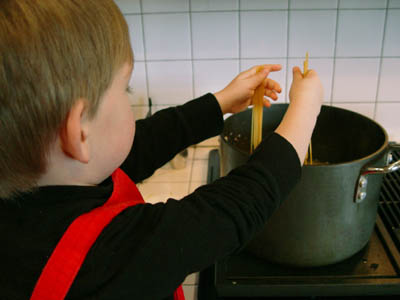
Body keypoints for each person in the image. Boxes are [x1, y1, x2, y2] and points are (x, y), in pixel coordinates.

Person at [0, 1, 323, 300]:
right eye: (124, 89)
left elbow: (137, 146)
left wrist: (219, 102)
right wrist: (305, 111)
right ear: (80, 133)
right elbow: (232, 209)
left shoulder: (41, 185)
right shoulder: (113, 254)